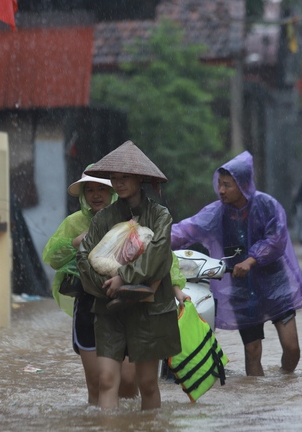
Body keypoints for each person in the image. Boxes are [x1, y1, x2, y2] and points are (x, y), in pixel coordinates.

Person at [171, 151, 302, 376]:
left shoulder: (267, 205)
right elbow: (187, 229)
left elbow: (276, 239)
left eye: (227, 185)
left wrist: (251, 260)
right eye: (219, 184)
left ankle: (285, 380)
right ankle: (256, 400)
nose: (221, 190)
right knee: (252, 350)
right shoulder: (216, 213)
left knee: (292, 347)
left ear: (244, 185)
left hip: (275, 284)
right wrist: (151, 239)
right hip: (241, 288)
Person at [77, 141, 186, 411]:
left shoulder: (160, 216)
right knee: (106, 380)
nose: (118, 182)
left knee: (147, 383)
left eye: (124, 177)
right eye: (115, 177)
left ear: (140, 179)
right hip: (109, 308)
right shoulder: (103, 218)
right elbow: (84, 256)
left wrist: (124, 278)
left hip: (148, 308)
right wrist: (107, 287)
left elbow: (159, 255)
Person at [41, 168, 139, 405]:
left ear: (113, 191)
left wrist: (177, 289)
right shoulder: (74, 223)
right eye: (90, 190)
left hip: (125, 304)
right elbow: (53, 257)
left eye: (102, 189)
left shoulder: (130, 218)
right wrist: (76, 242)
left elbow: (160, 257)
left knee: (128, 381)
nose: (96, 195)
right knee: (97, 381)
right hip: (88, 305)